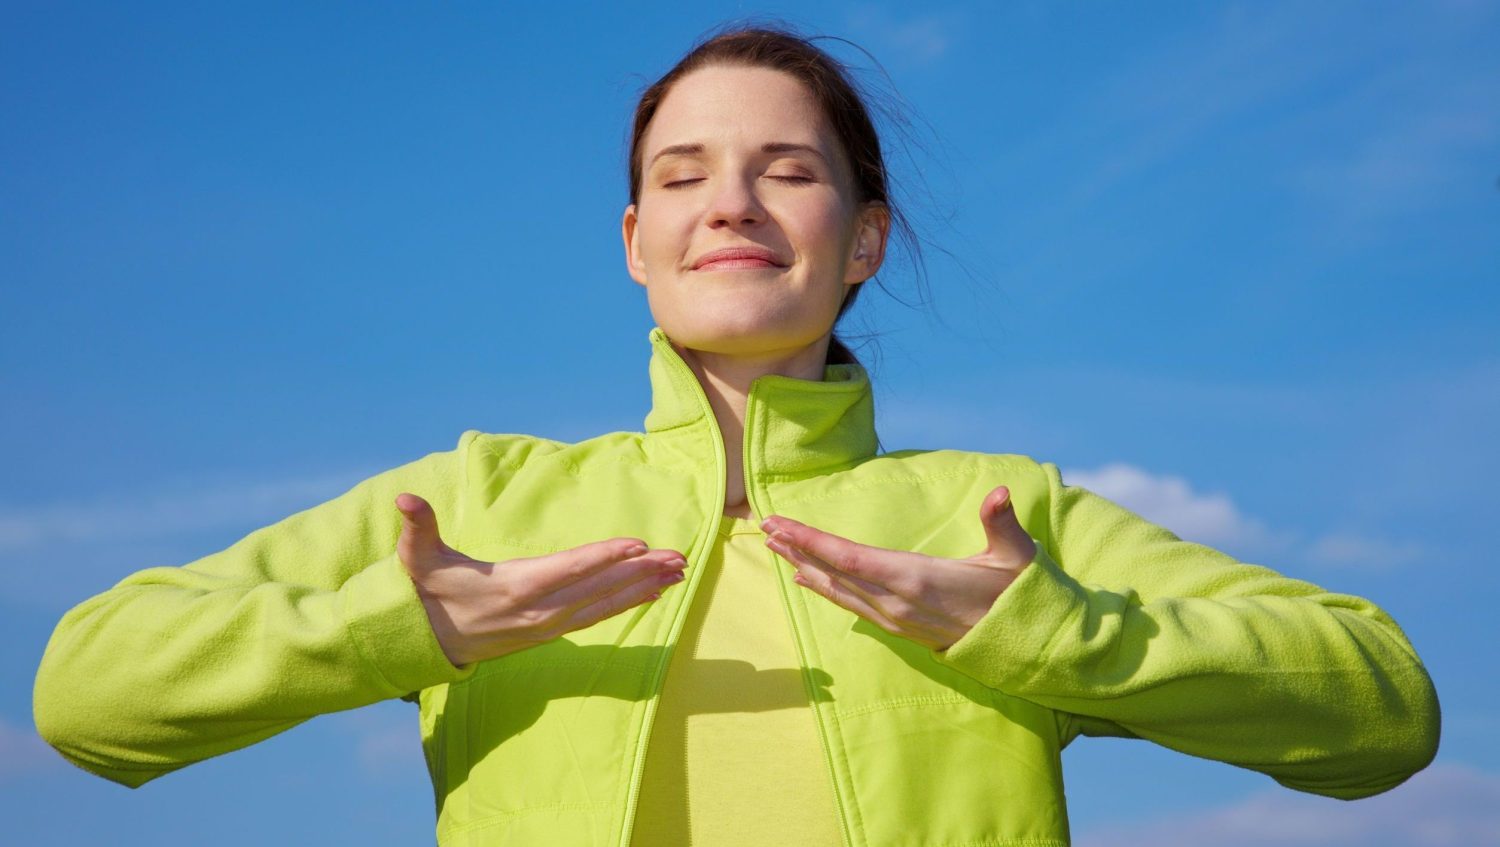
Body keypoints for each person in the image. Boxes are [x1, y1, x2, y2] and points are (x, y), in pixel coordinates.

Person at [33, 24, 1440, 847]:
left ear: (866, 238)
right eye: (683, 175)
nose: (734, 206)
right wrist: (399, 629)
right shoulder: (469, 503)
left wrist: (1058, 635)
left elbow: (1385, 713)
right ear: (636, 242)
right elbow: (88, 697)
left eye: (789, 170)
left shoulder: (1003, 523)